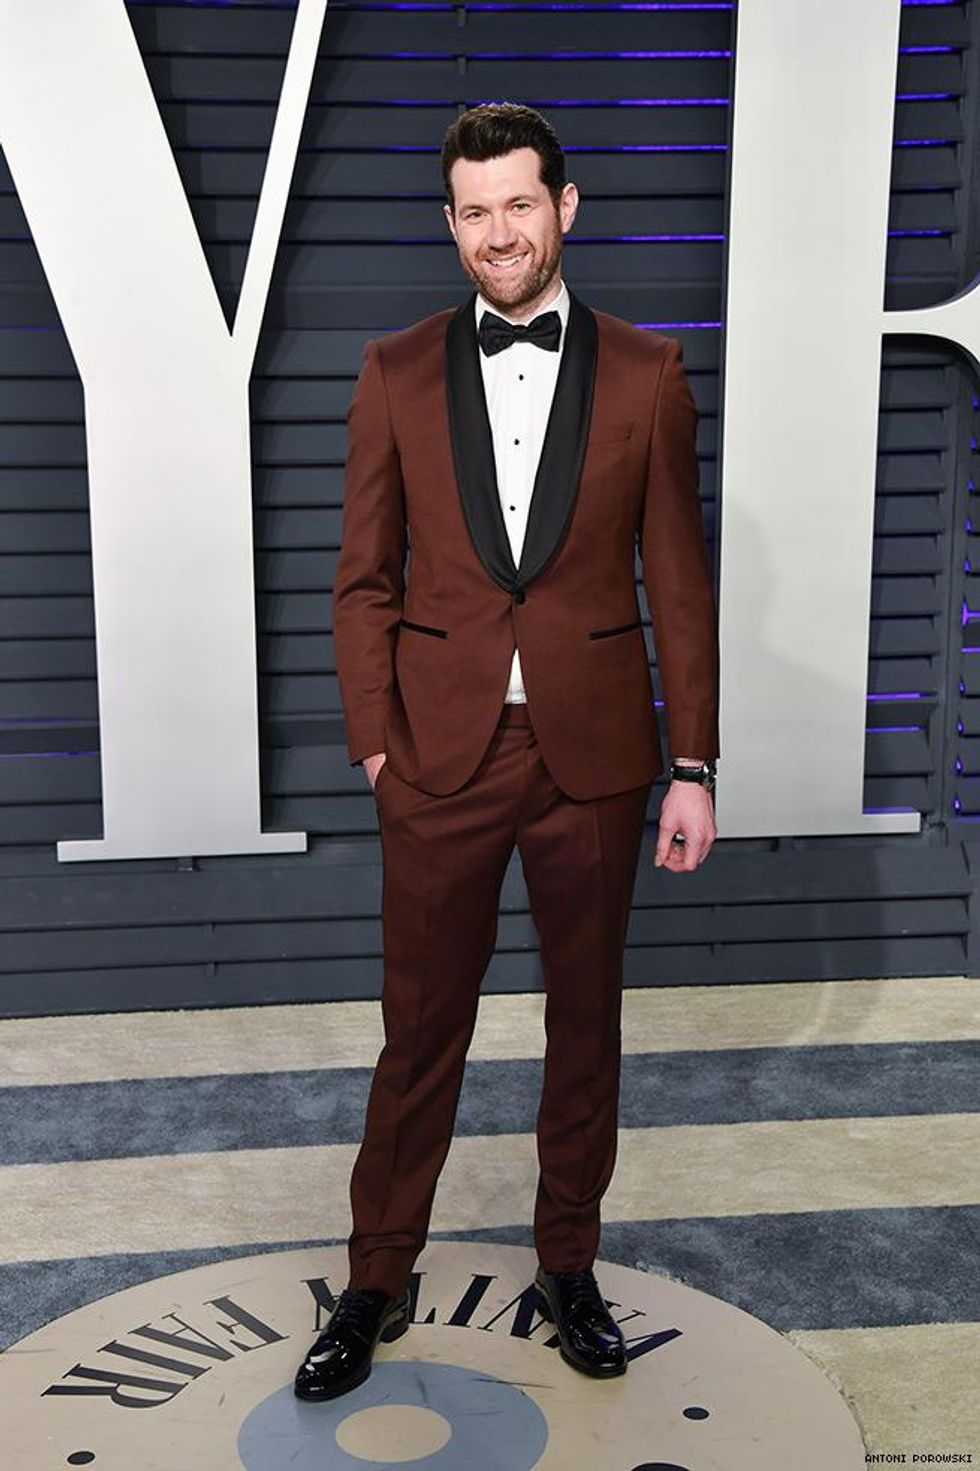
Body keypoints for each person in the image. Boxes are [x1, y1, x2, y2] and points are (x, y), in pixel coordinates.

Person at [295, 101, 720, 1403]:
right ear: (451, 224)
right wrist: (378, 744)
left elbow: (679, 584)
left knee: (583, 1028)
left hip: (594, 757)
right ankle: (374, 1280)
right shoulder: (395, 371)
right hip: (437, 757)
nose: (498, 232)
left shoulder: (649, 372)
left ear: (565, 208)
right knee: (419, 1032)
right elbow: (362, 580)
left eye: (518, 204)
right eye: (473, 211)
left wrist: (693, 765)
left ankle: (568, 1265)